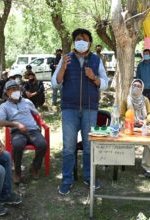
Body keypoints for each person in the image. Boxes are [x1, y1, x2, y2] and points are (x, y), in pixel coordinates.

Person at [52, 28, 108, 195]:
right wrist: (62, 68)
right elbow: (55, 83)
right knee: (69, 147)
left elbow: (105, 84)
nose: (81, 41)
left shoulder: (96, 60)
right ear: (74, 42)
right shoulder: (66, 59)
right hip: (70, 108)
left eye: (84, 38)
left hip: (90, 109)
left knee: (89, 146)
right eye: (78, 38)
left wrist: (94, 78)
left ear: (90, 42)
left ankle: (88, 177)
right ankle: (67, 179)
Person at [0, 80, 47, 184]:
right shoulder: (4, 106)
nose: (14, 91)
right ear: (7, 92)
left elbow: (37, 115)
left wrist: (39, 126)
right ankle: (17, 172)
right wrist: (16, 124)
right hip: (17, 132)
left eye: (16, 89)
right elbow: (1, 122)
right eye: (11, 90)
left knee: (42, 144)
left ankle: (34, 167)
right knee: (17, 144)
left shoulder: (27, 102)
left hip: (33, 130)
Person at [120, 79, 150, 178]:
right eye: (134, 85)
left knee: (149, 142)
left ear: (142, 88)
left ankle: (148, 170)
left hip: (144, 126)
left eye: (139, 86)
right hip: (130, 127)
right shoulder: (126, 100)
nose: (136, 87)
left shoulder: (145, 99)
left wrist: (145, 121)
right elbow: (121, 116)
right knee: (149, 142)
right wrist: (131, 121)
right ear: (131, 86)